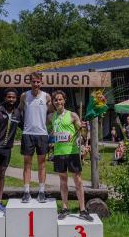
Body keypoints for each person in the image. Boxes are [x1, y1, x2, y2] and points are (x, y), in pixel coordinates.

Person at [48, 90, 93, 221]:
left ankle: (83, 209)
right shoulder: (52, 117)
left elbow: (81, 130)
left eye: (60, 99)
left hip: (72, 152)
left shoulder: (72, 115)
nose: (58, 102)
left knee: (78, 181)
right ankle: (65, 208)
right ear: (53, 102)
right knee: (63, 181)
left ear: (64, 100)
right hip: (59, 153)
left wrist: (83, 127)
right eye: (56, 100)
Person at [18, 72, 52, 203]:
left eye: (38, 82)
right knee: (27, 164)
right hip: (28, 133)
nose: (36, 84)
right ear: (30, 82)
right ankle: (26, 192)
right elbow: (19, 111)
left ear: (41, 82)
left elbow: (51, 114)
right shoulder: (24, 96)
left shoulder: (46, 96)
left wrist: (47, 123)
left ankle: (41, 191)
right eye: (33, 81)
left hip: (42, 134)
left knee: (42, 164)